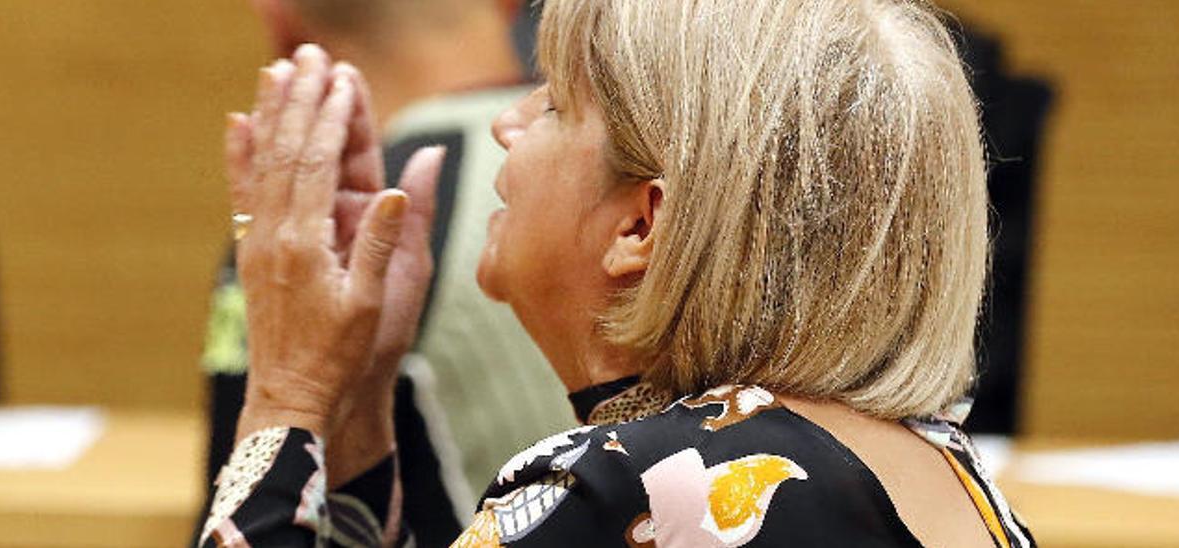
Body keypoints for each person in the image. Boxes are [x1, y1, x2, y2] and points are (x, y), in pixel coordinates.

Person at [199, 0, 1036, 546]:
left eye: (555, 101)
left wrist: (288, 388)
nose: (506, 123)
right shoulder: (936, 462)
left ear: (641, 223)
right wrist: (356, 404)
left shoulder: (631, 485)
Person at [197, 0, 576, 544]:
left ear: (280, 26)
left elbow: (238, 511)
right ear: (513, 8)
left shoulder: (312, 231)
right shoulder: (644, 175)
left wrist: (286, 399)